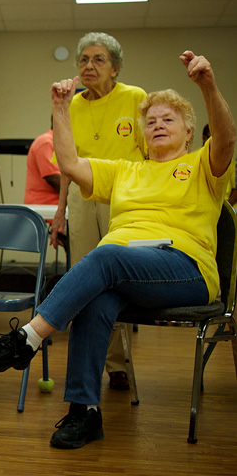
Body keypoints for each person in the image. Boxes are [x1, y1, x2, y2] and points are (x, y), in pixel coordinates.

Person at [0, 51, 235, 449]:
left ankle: (28, 337)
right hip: (126, 270)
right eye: (150, 121)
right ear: (141, 134)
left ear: (188, 129)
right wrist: (60, 108)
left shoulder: (203, 166)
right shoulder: (126, 170)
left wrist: (208, 86)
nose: (158, 125)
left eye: (169, 119)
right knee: (96, 300)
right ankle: (85, 412)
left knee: (106, 255)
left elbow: (228, 137)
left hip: (186, 272)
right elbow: (69, 161)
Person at [49, 32, 146, 392]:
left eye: (98, 59)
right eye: (83, 60)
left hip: (124, 197)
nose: (89, 66)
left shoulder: (135, 98)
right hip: (82, 196)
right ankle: (91, 365)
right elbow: (65, 163)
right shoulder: (70, 104)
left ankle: (118, 364)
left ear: (115, 68)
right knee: (85, 280)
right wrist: (60, 211)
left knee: (119, 281)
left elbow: (151, 153)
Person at [24, 119, 61, 205]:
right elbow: (54, 179)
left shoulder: (61, 144)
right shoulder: (46, 143)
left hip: (53, 208)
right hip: (44, 211)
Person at [203, 124, 237, 206]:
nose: (217, 143)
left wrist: (224, 210)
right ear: (204, 138)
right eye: (213, 139)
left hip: (226, 206)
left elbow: (236, 189)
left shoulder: (229, 161)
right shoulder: (195, 159)